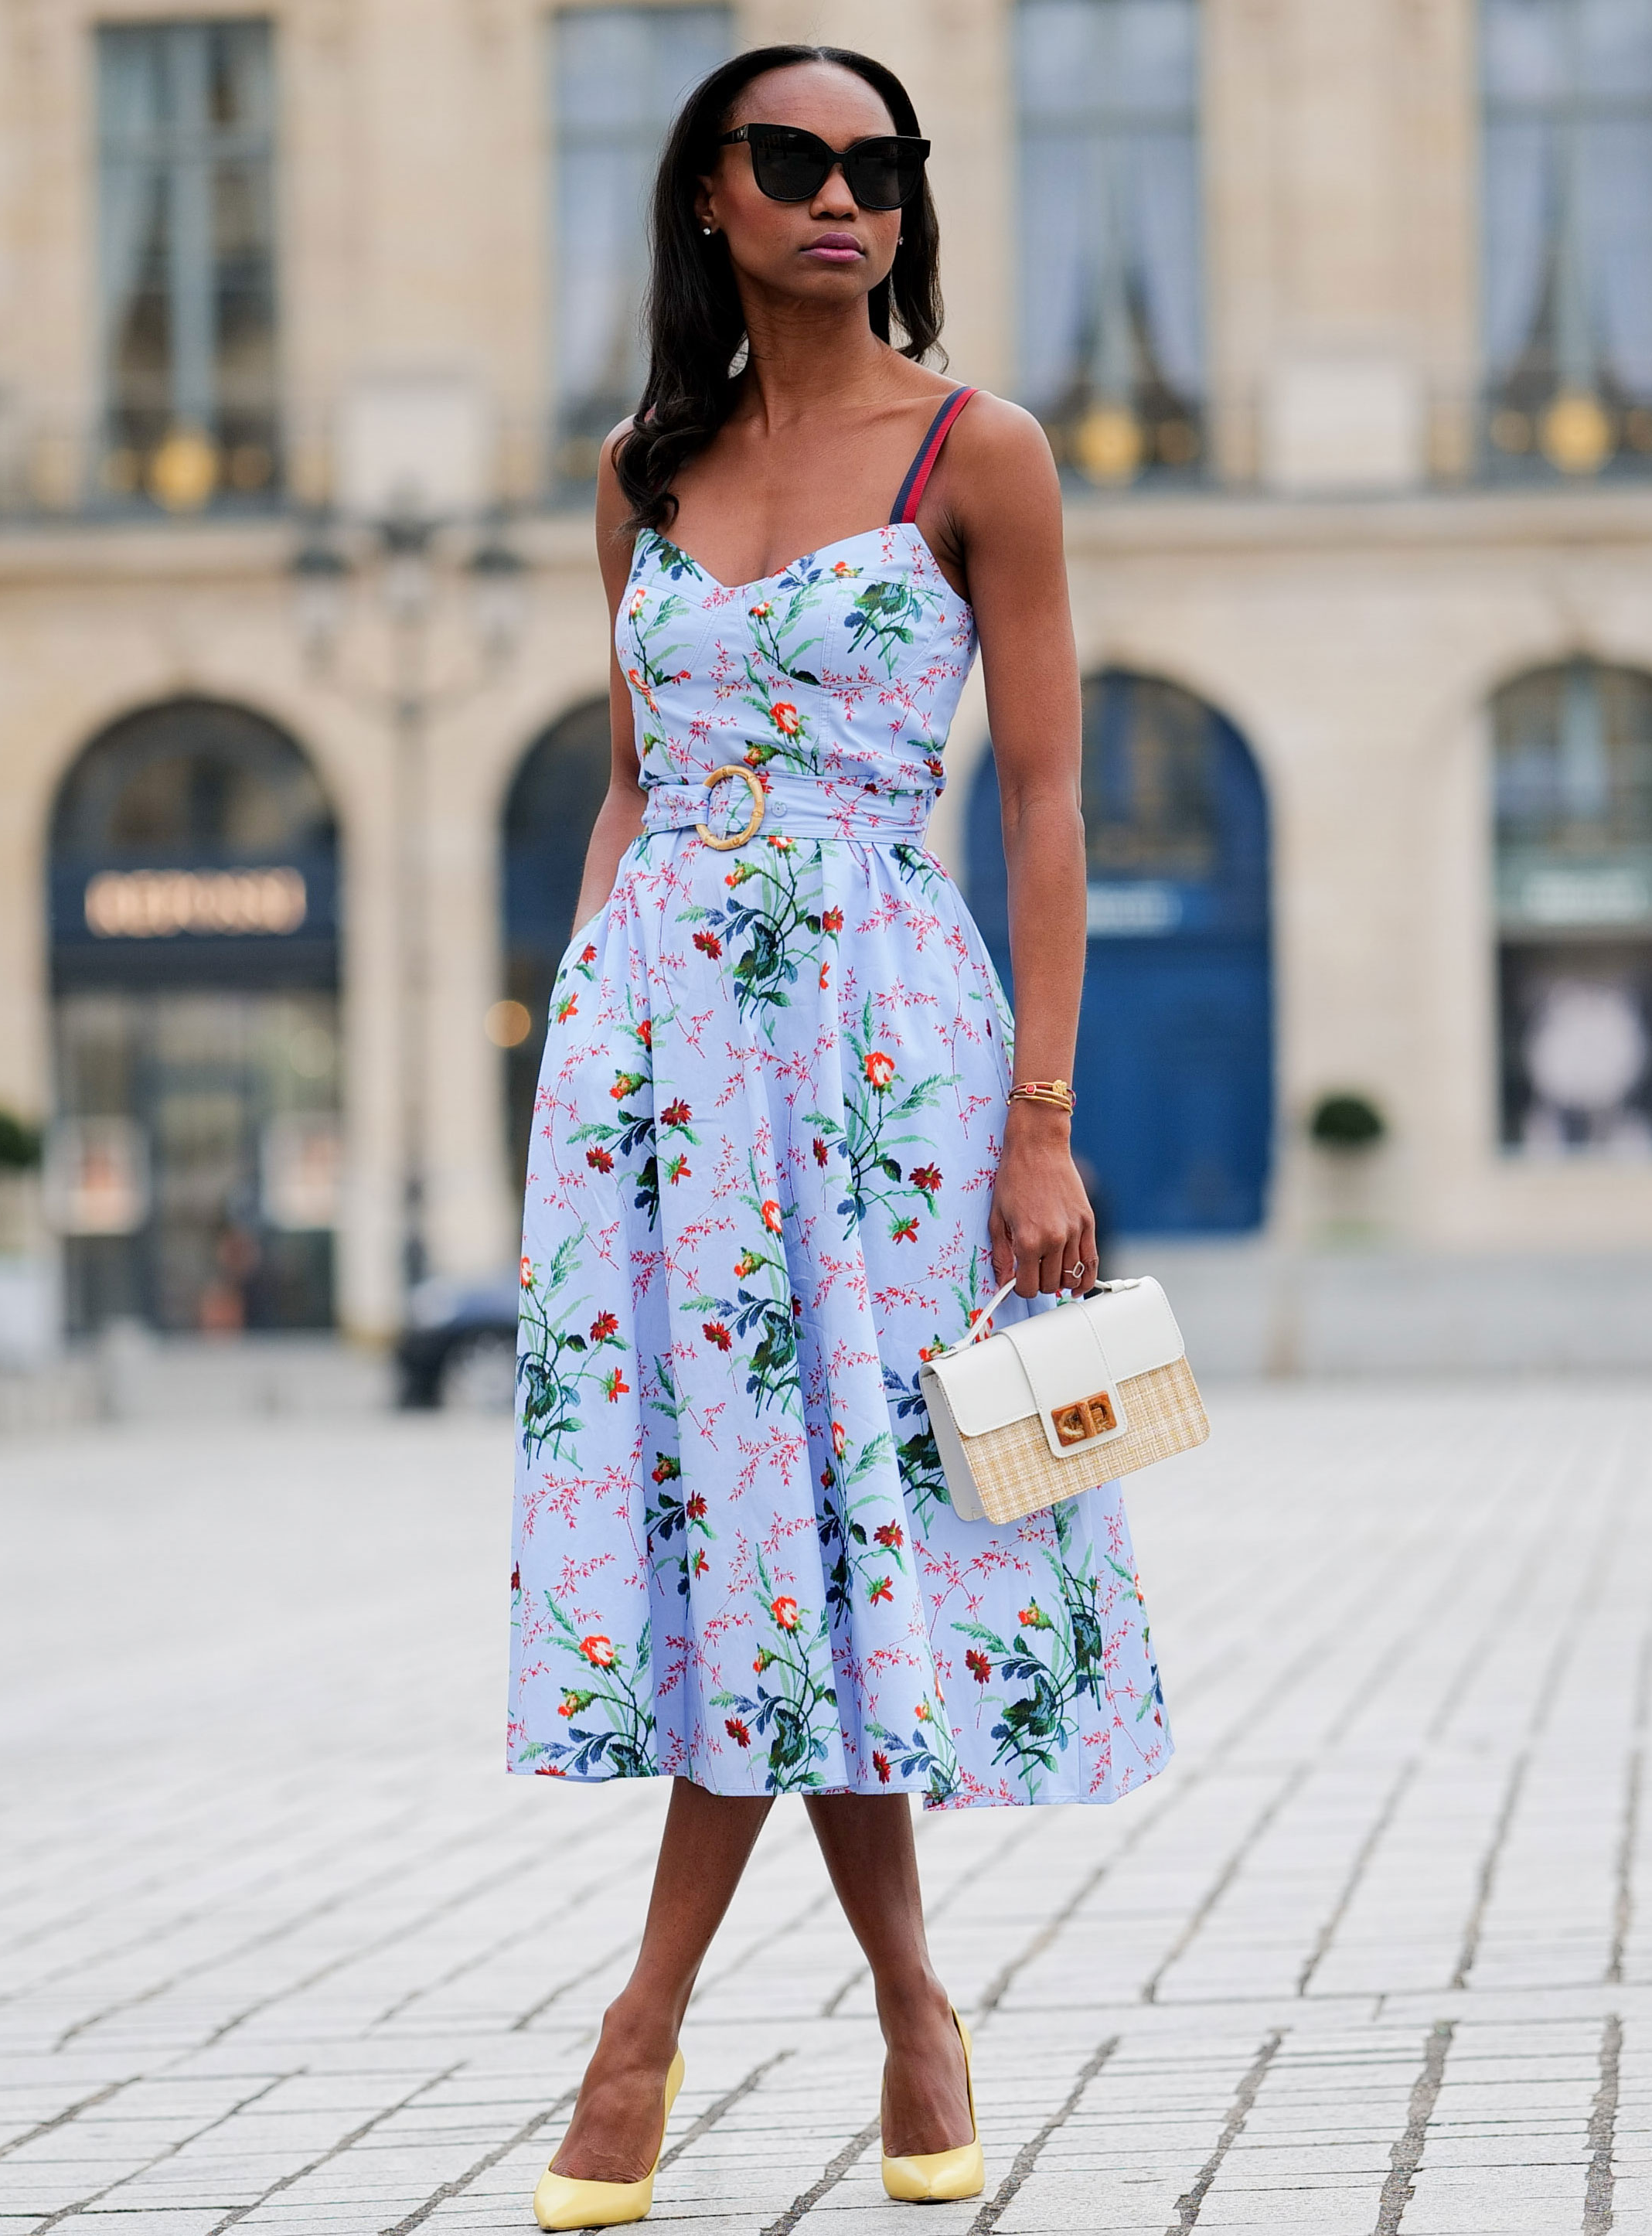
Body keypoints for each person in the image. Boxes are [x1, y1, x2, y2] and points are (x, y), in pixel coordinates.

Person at [506, 46, 1169, 2229]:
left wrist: (1038, 1123)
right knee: (755, 1550)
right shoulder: (639, 472)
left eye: (877, 167)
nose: (840, 197)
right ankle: (909, 2010)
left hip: (886, 1052)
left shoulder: (981, 452)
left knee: (837, 1533)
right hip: (659, 1059)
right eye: (791, 159)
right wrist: (579, 1039)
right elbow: (627, 780)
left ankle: (637, 2033)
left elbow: (1046, 803)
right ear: (707, 192)